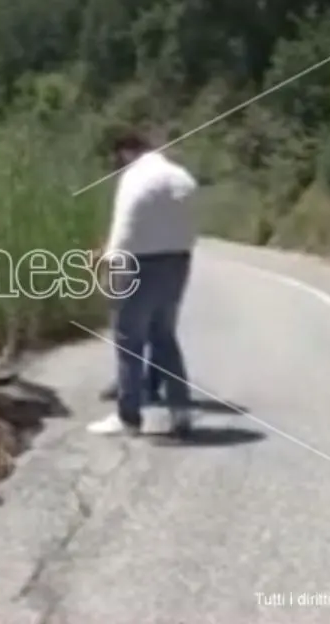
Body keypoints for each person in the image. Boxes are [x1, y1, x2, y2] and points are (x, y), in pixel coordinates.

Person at [87, 127, 198, 437]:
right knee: (164, 338)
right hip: (178, 262)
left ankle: (128, 417)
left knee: (128, 340)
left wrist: (108, 261)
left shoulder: (134, 178)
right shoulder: (180, 176)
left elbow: (125, 226)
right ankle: (181, 412)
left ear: (125, 152)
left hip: (139, 265)